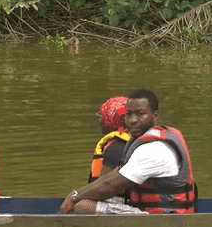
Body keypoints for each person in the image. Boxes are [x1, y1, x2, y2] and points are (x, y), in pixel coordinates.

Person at [59, 89, 196, 215]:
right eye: (128, 114)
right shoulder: (151, 138)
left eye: (140, 114)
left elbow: (110, 186)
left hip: (165, 218)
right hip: (156, 211)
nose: (132, 120)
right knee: (83, 200)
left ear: (155, 116)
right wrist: (77, 194)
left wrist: (74, 196)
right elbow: (113, 177)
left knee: (83, 206)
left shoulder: (153, 148)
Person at [89, 95, 131, 182]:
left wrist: (75, 195)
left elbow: (103, 187)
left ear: (111, 121)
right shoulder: (139, 138)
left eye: (102, 117)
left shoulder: (116, 148)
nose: (100, 122)